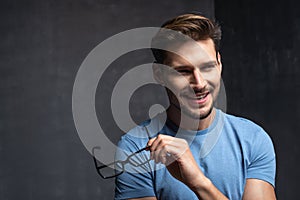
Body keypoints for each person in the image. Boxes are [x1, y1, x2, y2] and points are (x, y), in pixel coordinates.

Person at [114, 13, 276, 200]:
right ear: (159, 74)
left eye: (207, 67)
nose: (199, 83)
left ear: (219, 64)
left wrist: (198, 182)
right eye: (183, 71)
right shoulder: (135, 147)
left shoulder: (252, 140)